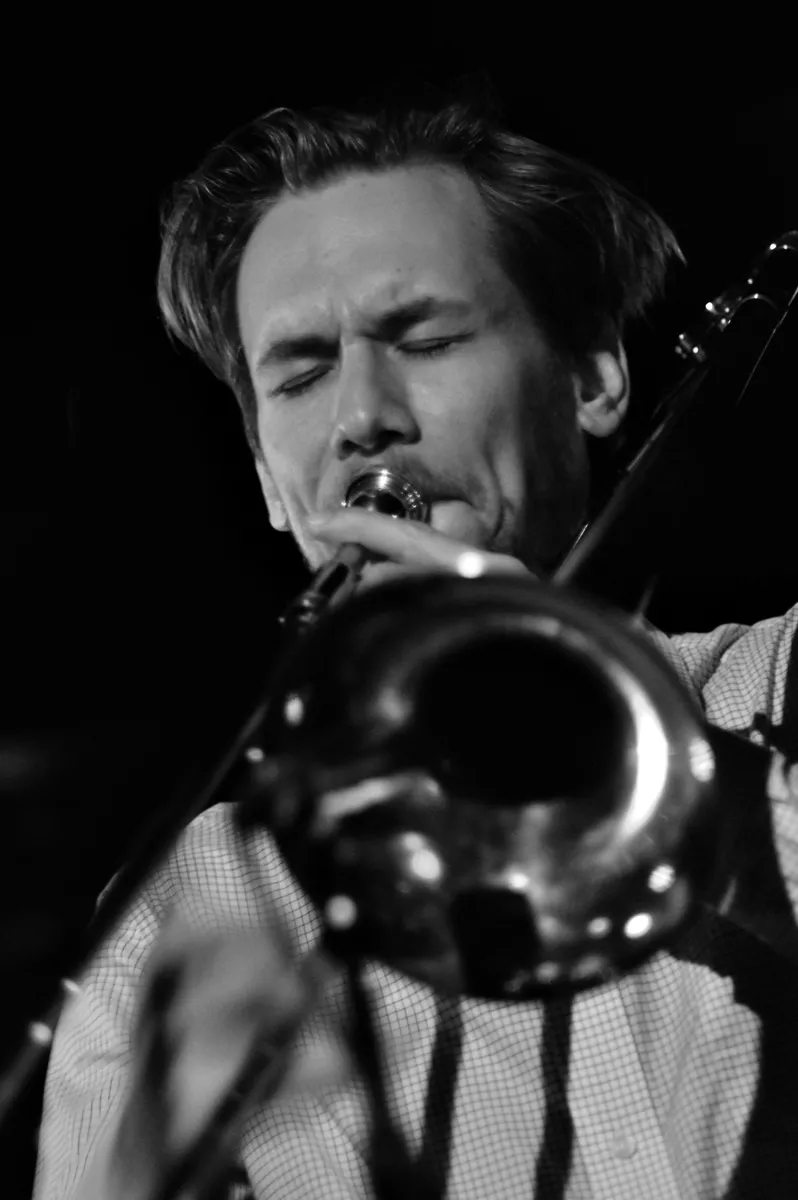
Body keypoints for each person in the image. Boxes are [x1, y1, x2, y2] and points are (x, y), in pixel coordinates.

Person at [33, 90, 798, 1200]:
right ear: (268, 480)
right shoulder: (189, 899)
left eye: (427, 339)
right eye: (300, 374)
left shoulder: (781, 678)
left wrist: (628, 757)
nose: (362, 418)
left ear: (592, 377)